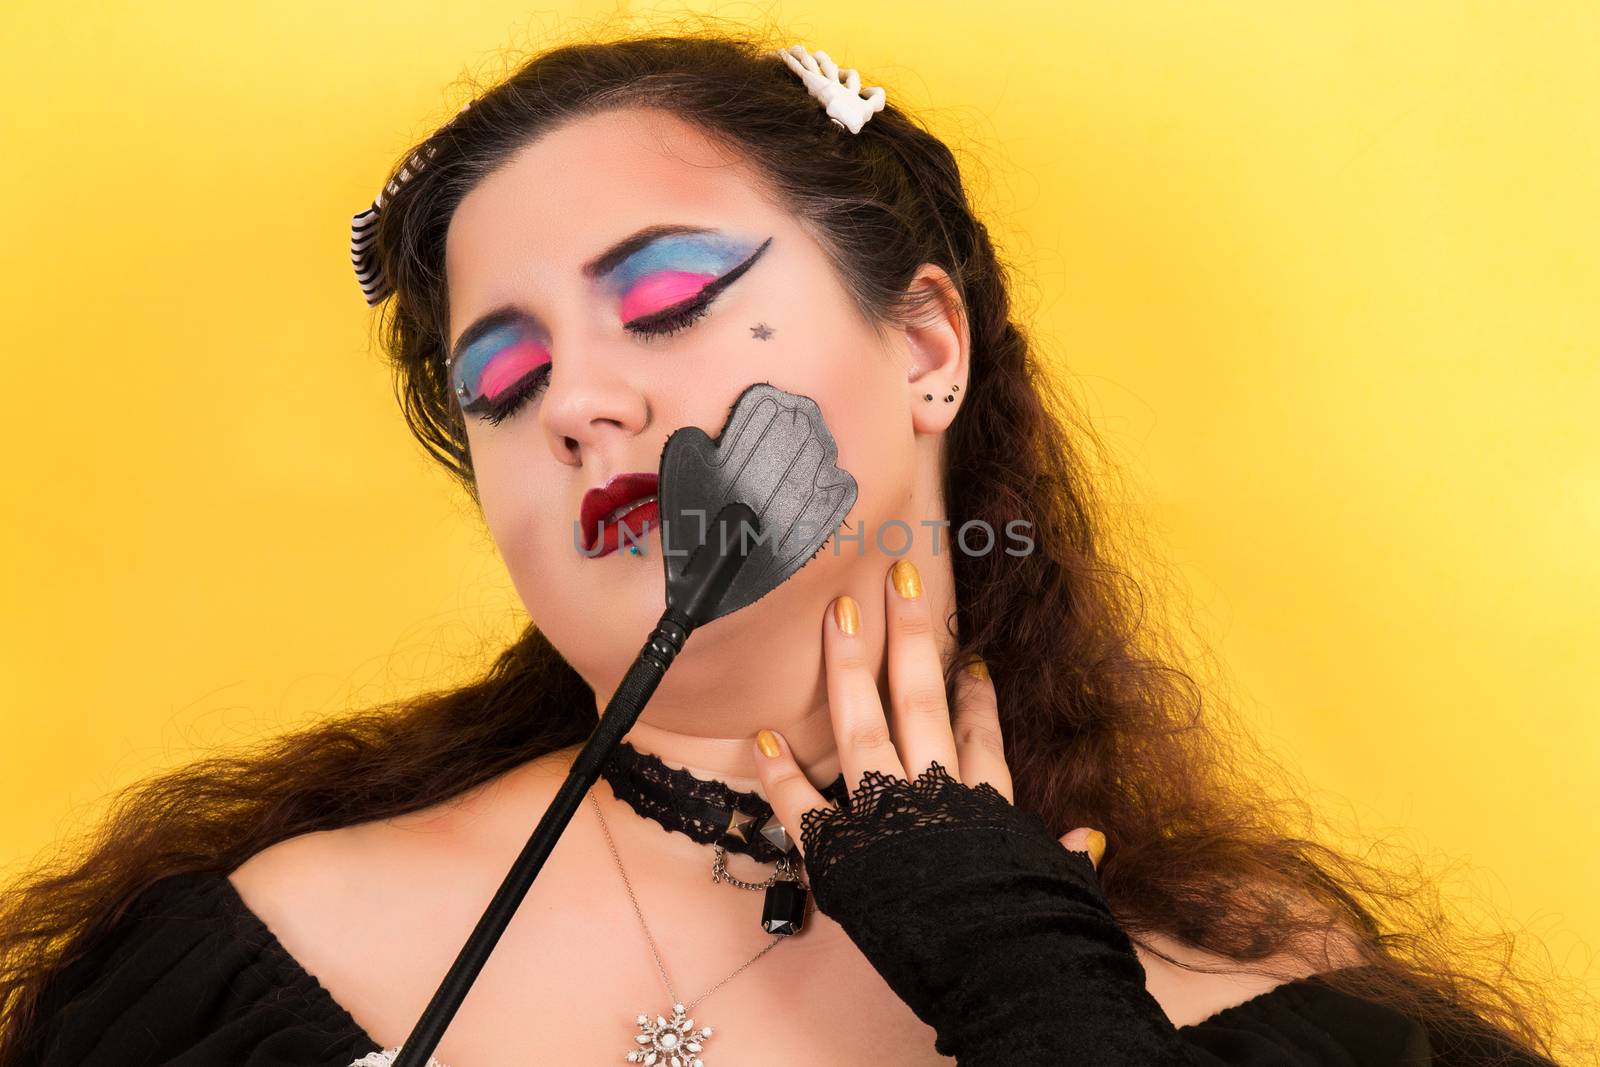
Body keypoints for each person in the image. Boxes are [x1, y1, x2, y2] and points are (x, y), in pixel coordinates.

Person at [0, 28, 1574, 1067]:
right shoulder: (262, 968)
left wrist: (1041, 1003)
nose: (581, 404)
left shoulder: (1265, 999)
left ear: (927, 347)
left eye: (670, 302)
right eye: (503, 381)